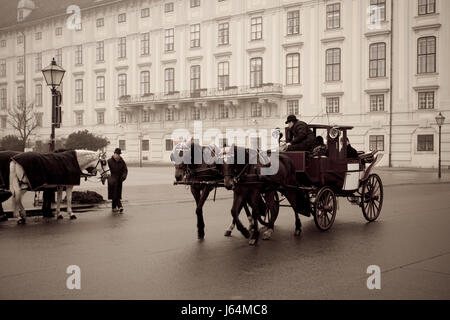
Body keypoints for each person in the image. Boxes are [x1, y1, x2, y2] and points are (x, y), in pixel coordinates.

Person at [107, 148, 128, 213]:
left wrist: (124, 176)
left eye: (118, 154)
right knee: (114, 193)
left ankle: (113, 207)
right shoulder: (109, 161)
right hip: (111, 180)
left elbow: (125, 170)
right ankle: (120, 206)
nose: (117, 155)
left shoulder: (122, 161)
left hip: (119, 180)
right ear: (114, 154)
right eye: (116, 154)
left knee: (116, 194)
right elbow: (106, 170)